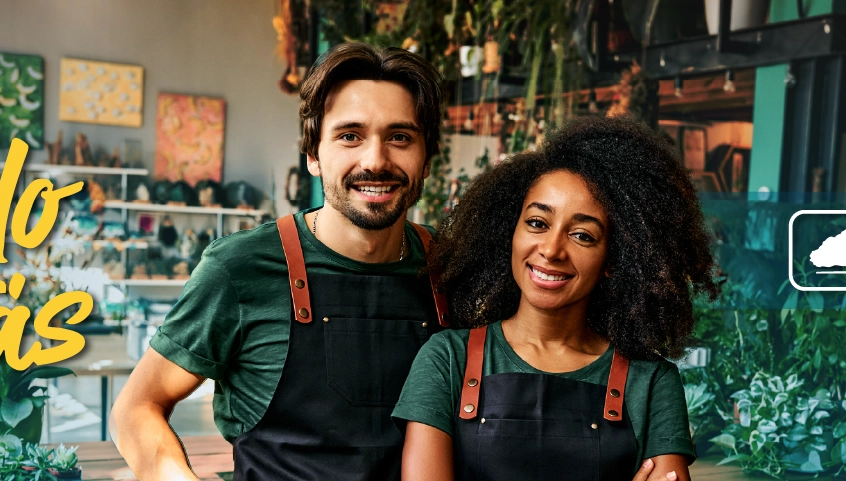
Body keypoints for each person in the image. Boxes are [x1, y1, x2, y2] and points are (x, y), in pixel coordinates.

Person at [113, 42, 449, 480]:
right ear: (313, 155)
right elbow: (137, 407)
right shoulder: (241, 268)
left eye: (400, 137)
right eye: (350, 136)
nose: (375, 160)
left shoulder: (454, 268)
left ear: (427, 159)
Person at [394, 116, 720, 481]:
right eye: (537, 223)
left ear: (615, 260)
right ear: (510, 231)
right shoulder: (446, 359)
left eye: (582, 235)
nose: (551, 250)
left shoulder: (651, 383)